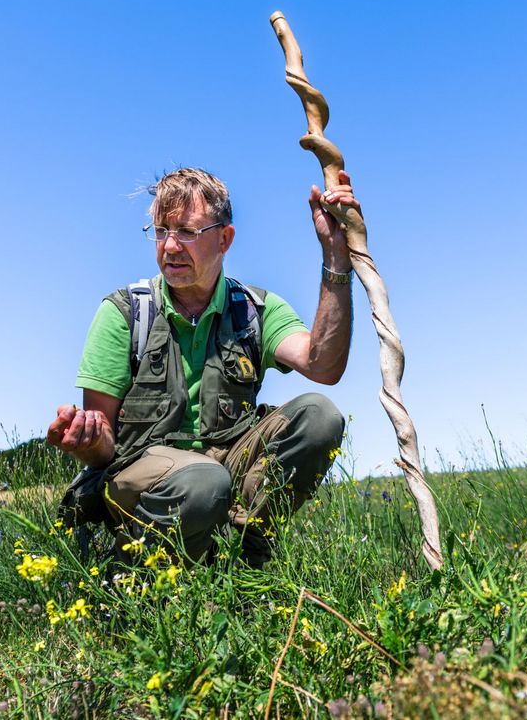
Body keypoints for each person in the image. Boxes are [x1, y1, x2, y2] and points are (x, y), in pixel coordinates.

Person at [46, 167, 358, 566]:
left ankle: (244, 561)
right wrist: (89, 441)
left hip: (225, 471)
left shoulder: (253, 310)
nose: (170, 246)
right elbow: (104, 450)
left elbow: (324, 366)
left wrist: (335, 257)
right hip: (142, 478)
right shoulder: (125, 314)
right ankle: (133, 577)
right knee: (204, 479)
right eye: (161, 231)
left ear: (224, 238)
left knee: (319, 416)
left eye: (187, 232)